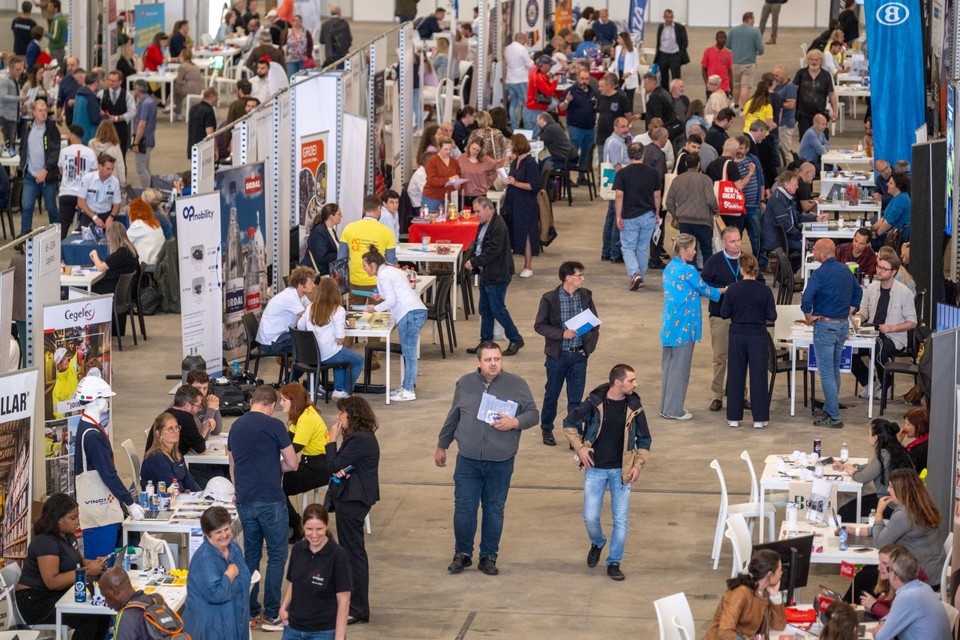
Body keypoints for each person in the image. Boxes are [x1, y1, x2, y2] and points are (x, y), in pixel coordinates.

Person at [437, 341, 539, 576]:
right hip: (468, 459)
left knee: (494, 509)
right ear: (478, 362)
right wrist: (442, 445)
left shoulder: (517, 384)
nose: (493, 364)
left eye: (497, 359)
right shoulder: (465, 383)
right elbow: (454, 415)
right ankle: (462, 554)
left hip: (501, 460)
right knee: (464, 508)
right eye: (488, 360)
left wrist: (515, 422)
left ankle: (488, 556)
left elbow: (533, 414)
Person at [562, 364, 650, 580]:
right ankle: (598, 542)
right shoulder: (594, 402)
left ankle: (614, 562)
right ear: (617, 382)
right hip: (596, 469)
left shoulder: (635, 407)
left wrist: (637, 465)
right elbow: (569, 423)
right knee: (590, 517)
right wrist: (580, 448)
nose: (635, 384)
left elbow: (645, 439)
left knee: (621, 520)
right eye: (631, 380)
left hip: (622, 472)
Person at [228, 385, 298, 630]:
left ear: (252, 402)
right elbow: (293, 463)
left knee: (251, 555)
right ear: (271, 405)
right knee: (278, 554)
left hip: (245, 500)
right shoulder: (275, 426)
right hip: (270, 500)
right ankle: (272, 614)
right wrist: (276, 466)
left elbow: (233, 465)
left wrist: (238, 491)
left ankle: (249, 611)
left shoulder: (235, 427)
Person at [15, 493, 112, 640]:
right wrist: (87, 571)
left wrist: (92, 563)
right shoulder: (45, 542)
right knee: (89, 619)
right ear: (57, 518)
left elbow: (75, 561)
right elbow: (53, 582)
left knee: (102, 612)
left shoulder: (67, 536)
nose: (77, 522)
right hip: (37, 602)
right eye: (73, 518)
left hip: (55, 595)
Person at [74, 377, 145, 558]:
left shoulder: (86, 427)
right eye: (106, 398)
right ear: (96, 401)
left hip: (100, 510)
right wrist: (129, 502)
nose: (107, 402)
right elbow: (108, 474)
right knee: (102, 564)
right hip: (99, 515)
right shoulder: (93, 436)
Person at [326, 396, 380, 624]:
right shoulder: (361, 438)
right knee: (351, 552)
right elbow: (342, 465)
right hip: (352, 498)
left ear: (353, 416)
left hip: (353, 500)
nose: (338, 417)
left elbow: (333, 465)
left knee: (353, 554)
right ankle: (355, 606)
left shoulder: (359, 439)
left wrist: (331, 439)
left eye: (342, 413)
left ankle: (358, 609)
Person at [534, 261, 599, 447]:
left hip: (579, 356)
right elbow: (539, 325)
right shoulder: (550, 298)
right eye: (580, 275)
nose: (583, 279)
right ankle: (547, 428)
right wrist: (561, 334)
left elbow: (595, 324)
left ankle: (573, 434)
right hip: (558, 356)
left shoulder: (585, 296)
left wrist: (588, 349)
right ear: (568, 278)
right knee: (552, 394)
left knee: (576, 399)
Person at [801, 239, 863, 428]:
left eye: (815, 249)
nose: (813, 251)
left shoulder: (819, 274)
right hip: (842, 326)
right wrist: (850, 310)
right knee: (834, 368)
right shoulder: (846, 270)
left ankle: (834, 417)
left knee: (826, 371)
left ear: (823, 253)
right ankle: (830, 407)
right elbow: (858, 292)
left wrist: (809, 316)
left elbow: (805, 298)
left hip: (825, 326)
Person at [660, 234, 722, 420]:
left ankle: (666, 407)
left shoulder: (669, 268)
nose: (695, 252)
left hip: (670, 325)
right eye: (693, 249)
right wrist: (727, 290)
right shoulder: (688, 270)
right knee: (680, 369)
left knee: (669, 368)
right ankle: (674, 410)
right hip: (684, 327)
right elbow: (707, 290)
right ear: (684, 250)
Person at [362, 245, 427, 401]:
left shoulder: (383, 276)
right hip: (414, 311)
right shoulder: (391, 270)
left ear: (372, 265)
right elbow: (396, 293)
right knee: (408, 352)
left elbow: (392, 300)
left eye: (364, 266)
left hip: (409, 313)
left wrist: (374, 309)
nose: (364, 269)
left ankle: (408, 390)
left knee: (409, 353)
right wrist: (380, 297)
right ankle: (406, 386)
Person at [278, 504, 352, 638]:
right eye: (309, 529)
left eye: (319, 529)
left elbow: (344, 601)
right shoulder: (298, 549)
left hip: (324, 631)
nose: (314, 535)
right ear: (302, 527)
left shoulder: (337, 555)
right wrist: (283, 607)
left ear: (326, 526)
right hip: (293, 628)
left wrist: (339, 637)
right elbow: (294, 583)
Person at [463, 197, 524, 356]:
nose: (476, 215)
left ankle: (515, 338)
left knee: (497, 309)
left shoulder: (498, 226)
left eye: (478, 211)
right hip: (487, 273)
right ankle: (485, 342)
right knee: (485, 309)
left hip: (497, 274)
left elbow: (492, 252)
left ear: (488, 208)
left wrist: (474, 262)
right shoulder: (484, 223)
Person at [720, 253, 776, 428]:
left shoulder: (733, 289)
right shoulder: (765, 291)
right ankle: (759, 418)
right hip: (758, 335)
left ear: (741, 269)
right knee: (759, 376)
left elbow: (724, 313)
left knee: (736, 374)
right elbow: (772, 316)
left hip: (737, 334)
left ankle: (733, 417)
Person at [853, 251, 917, 399]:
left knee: (878, 349)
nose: (879, 271)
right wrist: (855, 320)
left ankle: (887, 384)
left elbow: (912, 322)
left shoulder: (904, 292)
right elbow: (863, 313)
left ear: (893, 272)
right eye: (878, 267)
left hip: (893, 336)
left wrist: (892, 327)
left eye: (884, 269)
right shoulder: (872, 288)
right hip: (872, 333)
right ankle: (869, 382)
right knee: (848, 350)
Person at [183, 506, 251, 640]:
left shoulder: (234, 549)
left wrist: (228, 584)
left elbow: (246, 578)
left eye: (226, 529)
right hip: (210, 627)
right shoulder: (204, 559)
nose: (224, 535)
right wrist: (230, 575)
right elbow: (217, 594)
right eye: (218, 532)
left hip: (235, 620)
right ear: (208, 535)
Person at [277, 383, 330, 541]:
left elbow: (294, 449)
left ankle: (296, 524)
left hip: (318, 468)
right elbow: (287, 439)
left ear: (294, 401)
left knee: (276, 489)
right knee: (277, 485)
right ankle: (293, 523)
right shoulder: (301, 413)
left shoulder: (306, 418)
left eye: (283, 400)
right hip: (310, 463)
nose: (280, 403)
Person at [834, 419, 914, 522]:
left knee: (845, 512)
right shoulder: (898, 449)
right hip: (903, 502)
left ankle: (853, 533)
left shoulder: (883, 454)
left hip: (888, 503)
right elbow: (872, 467)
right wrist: (847, 467)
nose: (868, 437)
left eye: (869, 434)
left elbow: (862, 478)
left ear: (875, 438)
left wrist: (853, 472)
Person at [297, 276, 363, 398]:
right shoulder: (338, 310)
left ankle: (339, 389)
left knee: (342, 356)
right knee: (357, 359)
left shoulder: (311, 307)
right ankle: (345, 391)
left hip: (310, 354)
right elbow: (340, 338)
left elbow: (300, 326)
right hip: (328, 354)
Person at [872, 546, 952, 639]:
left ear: (893, 574)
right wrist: (885, 621)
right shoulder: (924, 587)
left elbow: (881, 637)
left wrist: (879, 630)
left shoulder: (906, 597)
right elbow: (896, 614)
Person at [703, 549, 786, 639]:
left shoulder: (764, 591)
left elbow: (779, 626)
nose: (781, 573)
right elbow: (724, 632)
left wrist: (775, 595)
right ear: (770, 575)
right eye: (780, 570)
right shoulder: (739, 593)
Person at [615, 142, 661, 291]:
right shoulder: (653, 172)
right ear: (643, 154)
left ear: (628, 155)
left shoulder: (622, 173)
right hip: (648, 215)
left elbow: (619, 195)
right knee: (642, 248)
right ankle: (640, 276)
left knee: (628, 247)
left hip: (629, 215)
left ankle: (635, 274)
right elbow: (657, 195)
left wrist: (618, 216)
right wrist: (657, 213)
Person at [667, 152, 717, 264]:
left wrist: (677, 214)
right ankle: (707, 276)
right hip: (704, 222)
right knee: (707, 250)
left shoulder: (677, 180)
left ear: (685, 163)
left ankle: (690, 275)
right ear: (699, 164)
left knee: (687, 251)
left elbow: (669, 202)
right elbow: (711, 200)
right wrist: (715, 211)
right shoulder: (706, 179)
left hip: (685, 222)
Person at [761, 169, 819, 265]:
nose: (797, 186)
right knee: (812, 248)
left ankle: (787, 271)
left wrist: (816, 219)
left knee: (813, 243)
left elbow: (797, 216)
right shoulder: (778, 199)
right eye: (795, 183)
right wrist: (801, 237)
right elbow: (785, 225)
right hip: (779, 238)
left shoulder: (787, 197)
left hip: (786, 235)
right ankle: (787, 273)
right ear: (786, 185)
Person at [18, 98, 59, 234]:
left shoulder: (52, 129)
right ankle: (24, 239)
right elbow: (23, 146)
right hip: (30, 175)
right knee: (27, 207)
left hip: (48, 176)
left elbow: (55, 152)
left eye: (45, 110)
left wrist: (45, 169)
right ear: (33, 112)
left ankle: (56, 235)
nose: (43, 113)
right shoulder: (27, 128)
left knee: (51, 207)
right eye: (40, 111)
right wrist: (23, 164)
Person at [502, 133, 540, 279]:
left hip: (526, 203)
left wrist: (516, 183)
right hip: (513, 200)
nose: (509, 147)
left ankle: (528, 266)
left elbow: (534, 186)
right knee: (514, 230)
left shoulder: (530, 164)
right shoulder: (515, 161)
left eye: (511, 144)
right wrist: (508, 181)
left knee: (527, 234)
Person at [257, 265, 315, 359]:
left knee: (309, 342)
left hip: (280, 336)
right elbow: (309, 316)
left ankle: (295, 371)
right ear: (300, 284)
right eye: (310, 282)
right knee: (309, 344)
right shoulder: (290, 297)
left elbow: (312, 309)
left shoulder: (300, 295)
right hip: (272, 342)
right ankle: (296, 372)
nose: (313, 285)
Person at [140, 411, 202, 492]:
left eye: (177, 427)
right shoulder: (156, 457)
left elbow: (188, 479)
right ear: (159, 433)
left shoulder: (176, 452)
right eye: (170, 429)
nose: (176, 431)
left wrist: (201, 494)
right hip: (161, 499)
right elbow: (170, 485)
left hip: (177, 495)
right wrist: (184, 492)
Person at [143, 384, 209, 455]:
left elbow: (196, 444)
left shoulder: (168, 413)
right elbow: (201, 449)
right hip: (164, 463)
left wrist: (204, 429)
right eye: (198, 405)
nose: (199, 409)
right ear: (188, 406)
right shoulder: (185, 418)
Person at [56, 124, 96, 239]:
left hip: (66, 193)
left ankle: (60, 252)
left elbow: (61, 170)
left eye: (68, 134)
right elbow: (94, 172)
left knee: (63, 227)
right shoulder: (89, 152)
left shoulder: (64, 151)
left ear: (72, 136)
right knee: (83, 227)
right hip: (83, 196)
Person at [601, 117, 629, 263]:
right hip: (617, 184)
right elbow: (617, 167)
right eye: (623, 127)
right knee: (616, 219)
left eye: (627, 126)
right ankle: (614, 253)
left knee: (611, 218)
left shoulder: (616, 141)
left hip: (614, 184)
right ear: (615, 127)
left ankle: (607, 251)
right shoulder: (615, 143)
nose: (626, 129)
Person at [794, 49, 838, 139]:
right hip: (803, 114)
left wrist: (835, 111)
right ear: (808, 60)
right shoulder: (801, 73)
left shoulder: (826, 75)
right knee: (805, 139)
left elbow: (831, 94)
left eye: (816, 60)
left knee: (821, 140)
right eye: (812, 59)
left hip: (820, 114)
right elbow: (793, 91)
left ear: (821, 61)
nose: (814, 62)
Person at [726, 12, 765, 109]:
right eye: (753, 19)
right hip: (749, 63)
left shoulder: (733, 30)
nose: (754, 21)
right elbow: (761, 49)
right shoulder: (755, 31)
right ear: (750, 19)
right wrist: (757, 52)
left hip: (735, 63)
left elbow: (728, 45)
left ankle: (735, 105)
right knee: (745, 86)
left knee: (736, 85)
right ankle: (743, 108)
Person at [90, 223, 139, 298]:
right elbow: (107, 265)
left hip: (115, 290)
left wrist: (94, 253)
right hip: (124, 290)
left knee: (85, 288)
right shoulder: (129, 250)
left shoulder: (121, 254)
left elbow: (100, 268)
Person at [77, 153, 121, 231]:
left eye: (112, 169)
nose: (110, 172)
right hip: (88, 215)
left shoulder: (115, 182)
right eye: (108, 169)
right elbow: (80, 201)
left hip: (106, 216)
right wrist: (94, 217)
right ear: (100, 166)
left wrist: (111, 217)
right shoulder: (88, 178)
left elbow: (117, 204)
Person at [100, 70, 135, 160]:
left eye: (113, 81)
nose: (111, 82)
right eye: (109, 80)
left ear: (120, 82)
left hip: (121, 130)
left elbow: (132, 112)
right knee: (105, 156)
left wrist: (117, 118)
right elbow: (97, 109)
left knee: (121, 156)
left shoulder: (127, 95)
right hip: (106, 130)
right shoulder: (102, 94)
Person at [871, 172, 911, 249]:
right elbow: (884, 219)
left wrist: (876, 235)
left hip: (897, 239)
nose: (887, 184)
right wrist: (871, 228)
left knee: (865, 242)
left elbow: (888, 222)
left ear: (898, 186)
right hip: (894, 235)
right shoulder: (898, 198)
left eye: (891, 183)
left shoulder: (900, 200)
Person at [421, 136, 461, 212]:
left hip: (448, 199)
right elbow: (432, 180)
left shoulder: (454, 162)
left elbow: (459, 176)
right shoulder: (432, 161)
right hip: (432, 198)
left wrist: (458, 185)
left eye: (450, 149)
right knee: (431, 221)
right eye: (445, 149)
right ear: (439, 148)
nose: (448, 151)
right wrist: (448, 179)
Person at [595, 72, 633, 151]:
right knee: (603, 161)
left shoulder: (622, 98)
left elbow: (628, 117)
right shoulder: (600, 97)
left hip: (617, 138)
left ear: (608, 86)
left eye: (601, 86)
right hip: (602, 137)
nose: (599, 89)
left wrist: (623, 130)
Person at [503, 33, 534, 130]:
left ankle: (514, 126)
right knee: (526, 103)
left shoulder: (507, 48)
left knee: (513, 104)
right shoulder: (522, 49)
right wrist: (531, 59)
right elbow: (530, 64)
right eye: (525, 39)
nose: (526, 41)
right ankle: (527, 126)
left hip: (510, 80)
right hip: (521, 80)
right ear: (522, 39)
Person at [131, 79, 157, 188]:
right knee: (146, 167)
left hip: (143, 141)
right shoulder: (150, 101)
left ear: (137, 89)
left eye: (134, 89)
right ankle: (150, 190)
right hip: (149, 139)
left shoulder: (145, 104)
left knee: (141, 168)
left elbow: (142, 125)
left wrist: (136, 143)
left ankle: (147, 192)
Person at [456, 138, 496, 209]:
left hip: (479, 195)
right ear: (469, 146)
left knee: (479, 218)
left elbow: (495, 169)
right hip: (463, 195)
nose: (474, 152)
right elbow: (454, 170)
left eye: (477, 150)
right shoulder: (461, 158)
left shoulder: (486, 160)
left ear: (481, 151)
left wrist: (489, 182)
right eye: (473, 148)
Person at [301, 203, 341, 274]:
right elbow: (322, 257)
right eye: (339, 214)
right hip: (315, 275)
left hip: (324, 272)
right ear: (331, 216)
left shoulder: (330, 230)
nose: (341, 216)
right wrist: (340, 254)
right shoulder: (319, 232)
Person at [654, 10, 688, 89]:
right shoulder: (661, 27)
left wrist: (680, 55)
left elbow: (685, 42)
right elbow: (658, 42)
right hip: (663, 56)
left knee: (676, 79)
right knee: (664, 79)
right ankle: (665, 97)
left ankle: (676, 96)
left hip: (675, 56)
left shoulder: (680, 28)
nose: (669, 19)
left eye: (671, 17)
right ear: (664, 17)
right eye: (667, 17)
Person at [125, 198, 165, 266]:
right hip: (157, 266)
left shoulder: (138, 225)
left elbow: (122, 242)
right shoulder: (155, 224)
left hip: (145, 267)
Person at [641, 74, 681, 141]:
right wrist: (641, 115)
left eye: (646, 84)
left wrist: (654, 134)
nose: (644, 86)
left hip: (659, 136)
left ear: (653, 83)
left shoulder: (655, 97)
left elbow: (657, 119)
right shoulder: (664, 92)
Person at [523, 56, 556, 133]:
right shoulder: (538, 76)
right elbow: (549, 92)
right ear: (544, 65)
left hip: (535, 107)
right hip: (534, 108)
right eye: (550, 65)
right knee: (535, 134)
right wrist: (555, 81)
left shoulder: (539, 72)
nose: (551, 67)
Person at [88, 120, 127, 187]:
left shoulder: (91, 144)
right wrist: (123, 183)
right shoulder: (115, 146)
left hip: (96, 180)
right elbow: (120, 166)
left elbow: (88, 163)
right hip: (112, 180)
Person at [187, 87, 218, 158]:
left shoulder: (193, 108)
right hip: (204, 150)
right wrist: (215, 149)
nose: (217, 100)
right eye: (217, 97)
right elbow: (210, 134)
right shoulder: (208, 111)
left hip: (192, 148)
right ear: (212, 96)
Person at [173, 48, 204, 120]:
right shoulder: (195, 65)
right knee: (178, 89)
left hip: (190, 88)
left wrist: (176, 89)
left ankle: (177, 111)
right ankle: (171, 104)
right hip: (199, 88)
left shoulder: (182, 66)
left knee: (177, 90)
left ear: (182, 56)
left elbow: (179, 81)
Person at [610, 31, 639, 106]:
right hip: (619, 75)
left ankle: (629, 114)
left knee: (629, 98)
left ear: (624, 39)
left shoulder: (633, 50)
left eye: (619, 38)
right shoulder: (618, 48)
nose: (617, 40)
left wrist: (629, 73)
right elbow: (616, 62)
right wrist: (609, 70)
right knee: (619, 96)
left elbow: (636, 64)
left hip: (629, 76)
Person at [702, 33, 733, 103]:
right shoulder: (708, 51)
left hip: (724, 87)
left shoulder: (728, 53)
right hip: (712, 86)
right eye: (721, 38)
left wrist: (731, 88)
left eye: (725, 38)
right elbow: (704, 69)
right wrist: (707, 83)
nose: (723, 40)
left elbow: (729, 71)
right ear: (716, 38)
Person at [900, 407, 929, 474]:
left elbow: (904, 468)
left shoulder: (917, 450)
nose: (904, 427)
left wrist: (897, 443)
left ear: (919, 427)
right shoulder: (930, 439)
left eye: (908, 424)